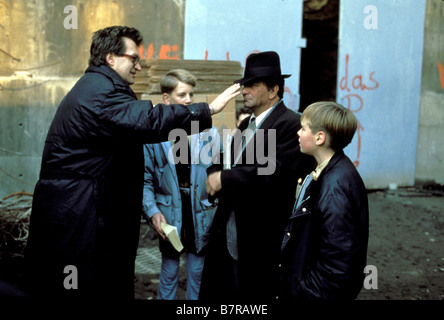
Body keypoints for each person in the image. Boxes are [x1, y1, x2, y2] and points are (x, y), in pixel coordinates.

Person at [24, 26, 240, 299]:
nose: (139, 66)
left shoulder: (100, 88)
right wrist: (206, 109)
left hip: (83, 210)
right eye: (134, 58)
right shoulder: (102, 93)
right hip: (82, 216)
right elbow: (150, 121)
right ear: (111, 58)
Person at [199, 51, 314, 300]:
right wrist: (214, 172)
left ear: (273, 90)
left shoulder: (290, 124)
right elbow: (227, 160)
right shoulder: (245, 125)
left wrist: (224, 179)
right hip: (231, 229)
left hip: (261, 238)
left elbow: (273, 171)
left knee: (255, 293)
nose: (244, 91)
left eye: (252, 85)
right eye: (243, 85)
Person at [278, 101, 369, 300]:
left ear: (320, 138)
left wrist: (304, 293)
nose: (298, 133)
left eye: (303, 129)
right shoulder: (327, 171)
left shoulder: (335, 186)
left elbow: (337, 263)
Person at [143, 69, 220, 300]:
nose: (188, 100)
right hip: (169, 215)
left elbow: (218, 173)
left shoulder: (209, 131)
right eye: (182, 95)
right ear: (166, 99)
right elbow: (145, 179)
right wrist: (153, 211)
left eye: (191, 95)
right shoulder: (152, 136)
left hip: (200, 215)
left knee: (198, 272)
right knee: (168, 273)